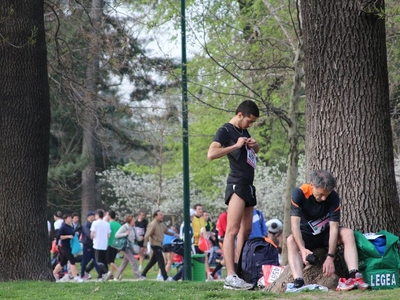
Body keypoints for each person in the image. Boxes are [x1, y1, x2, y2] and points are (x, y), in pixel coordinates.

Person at [286, 170, 368, 292]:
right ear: (312, 185)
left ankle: (354, 275)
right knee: (290, 240)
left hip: (326, 235)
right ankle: (298, 282)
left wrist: (330, 256)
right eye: (320, 195)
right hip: (306, 235)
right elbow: (294, 225)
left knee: (348, 233)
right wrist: (303, 250)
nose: (324, 198)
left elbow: (334, 227)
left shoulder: (333, 196)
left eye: (326, 195)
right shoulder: (299, 193)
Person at [207, 99, 260, 290]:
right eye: (249, 121)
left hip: (249, 186)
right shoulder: (225, 130)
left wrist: (255, 145)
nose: (250, 125)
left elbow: (254, 153)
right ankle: (230, 276)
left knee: (246, 231)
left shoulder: (244, 131)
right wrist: (236, 146)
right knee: (232, 230)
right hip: (236, 184)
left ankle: (240, 270)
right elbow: (211, 154)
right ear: (240, 115)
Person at [140, 210, 177, 281]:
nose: (162, 216)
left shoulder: (161, 224)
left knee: (153, 261)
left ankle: (143, 274)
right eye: (160, 215)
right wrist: (144, 246)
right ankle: (165, 277)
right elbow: (147, 235)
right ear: (155, 216)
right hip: (154, 245)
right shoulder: (153, 224)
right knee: (161, 261)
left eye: (162, 215)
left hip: (160, 244)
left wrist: (173, 234)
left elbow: (166, 231)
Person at [53, 214, 83, 282]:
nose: (71, 219)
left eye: (71, 218)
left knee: (63, 262)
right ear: (65, 219)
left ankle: (53, 274)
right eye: (69, 218)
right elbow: (59, 236)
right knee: (72, 260)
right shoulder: (63, 227)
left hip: (70, 246)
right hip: (64, 246)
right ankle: (76, 277)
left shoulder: (70, 227)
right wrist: (68, 236)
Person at [114, 215, 142, 280]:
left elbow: (137, 238)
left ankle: (116, 277)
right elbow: (116, 235)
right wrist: (125, 234)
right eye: (133, 220)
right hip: (125, 246)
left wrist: (141, 238)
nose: (134, 221)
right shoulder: (124, 227)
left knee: (124, 263)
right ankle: (137, 277)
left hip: (131, 246)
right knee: (133, 261)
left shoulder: (133, 227)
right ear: (129, 221)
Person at [90, 209, 111, 281]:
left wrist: (93, 237)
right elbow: (109, 235)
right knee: (104, 260)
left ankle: (106, 272)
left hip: (97, 244)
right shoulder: (107, 224)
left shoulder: (95, 223)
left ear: (97, 215)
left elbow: (92, 234)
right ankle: (101, 276)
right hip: (104, 244)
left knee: (98, 261)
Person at [80, 211, 100, 280]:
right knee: (85, 260)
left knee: (95, 260)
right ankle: (82, 274)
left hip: (92, 245)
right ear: (89, 216)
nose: (94, 217)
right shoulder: (86, 225)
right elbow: (89, 234)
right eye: (92, 215)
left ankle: (100, 274)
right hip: (87, 245)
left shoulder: (93, 224)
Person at [107, 210, 121, 279]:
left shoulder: (108, 224)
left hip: (110, 243)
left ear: (109, 216)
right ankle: (111, 274)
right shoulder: (118, 225)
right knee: (113, 260)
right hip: (117, 244)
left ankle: (119, 272)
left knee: (109, 261)